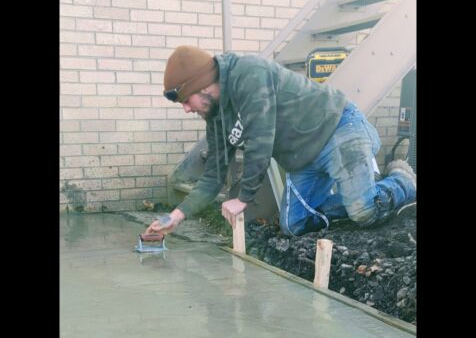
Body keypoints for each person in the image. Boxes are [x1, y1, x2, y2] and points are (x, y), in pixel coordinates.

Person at [143, 45, 416, 240]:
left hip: (338, 129)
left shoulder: (248, 73)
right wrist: (175, 217)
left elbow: (261, 138)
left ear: (200, 86)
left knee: (364, 212)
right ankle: (358, 192)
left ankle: (402, 180)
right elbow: (213, 175)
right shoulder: (215, 116)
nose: (187, 110)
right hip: (303, 158)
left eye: (186, 102)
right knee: (294, 225)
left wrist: (243, 198)